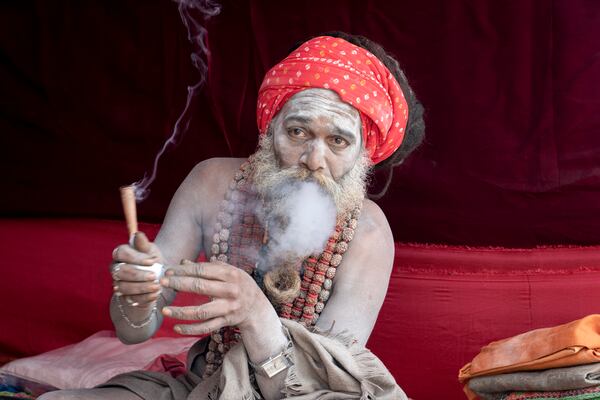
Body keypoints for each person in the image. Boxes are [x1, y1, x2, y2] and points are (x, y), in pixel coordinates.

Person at [40, 31, 425, 400]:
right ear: (270, 129)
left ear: (363, 154)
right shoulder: (211, 183)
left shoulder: (368, 233)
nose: (313, 160)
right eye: (297, 132)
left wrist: (255, 313)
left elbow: (324, 389)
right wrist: (138, 294)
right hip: (204, 385)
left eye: (338, 141)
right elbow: (131, 333)